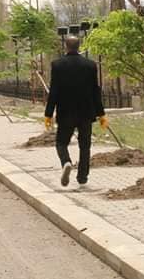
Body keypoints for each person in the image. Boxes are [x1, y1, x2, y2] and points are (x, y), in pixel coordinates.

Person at [45, 36, 107, 187]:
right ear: (79, 47)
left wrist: (48, 113)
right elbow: (95, 91)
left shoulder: (57, 65)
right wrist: (101, 114)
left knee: (61, 143)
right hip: (86, 112)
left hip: (65, 112)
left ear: (65, 47)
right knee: (85, 146)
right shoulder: (90, 65)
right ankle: (82, 177)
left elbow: (54, 91)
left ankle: (66, 162)